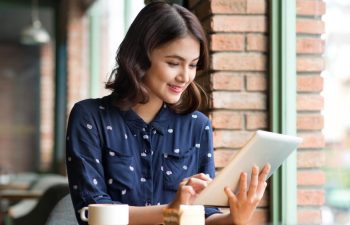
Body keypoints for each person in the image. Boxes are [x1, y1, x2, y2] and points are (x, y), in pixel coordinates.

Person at [65, 1, 270, 225]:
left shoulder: (197, 125)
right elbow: (91, 213)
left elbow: (204, 215)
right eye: (174, 63)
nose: (185, 77)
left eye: (192, 65)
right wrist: (172, 211)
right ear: (140, 57)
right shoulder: (89, 117)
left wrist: (234, 218)